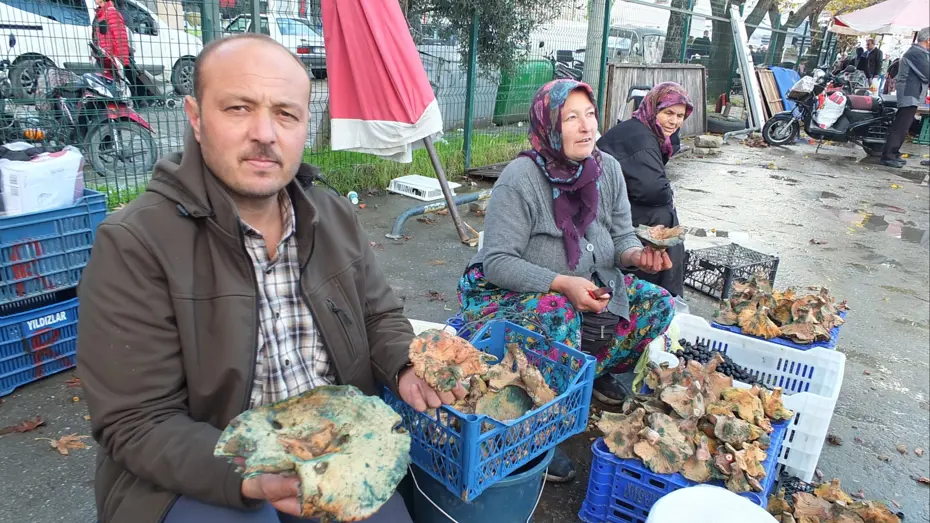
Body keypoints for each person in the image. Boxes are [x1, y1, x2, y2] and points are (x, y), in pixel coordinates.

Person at [77, 34, 457, 523]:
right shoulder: (135, 242)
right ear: (195, 118)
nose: (265, 133)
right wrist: (249, 477)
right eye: (238, 108)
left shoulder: (333, 216)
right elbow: (137, 421)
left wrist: (405, 366)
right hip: (203, 469)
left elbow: (379, 315)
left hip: (330, 447)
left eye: (286, 114)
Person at [457, 79, 675, 482]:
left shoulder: (606, 168)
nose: (586, 127)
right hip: (512, 294)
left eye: (590, 114)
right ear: (548, 125)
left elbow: (623, 234)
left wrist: (636, 257)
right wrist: (560, 282)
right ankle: (536, 435)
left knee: (658, 303)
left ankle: (594, 371)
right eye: (571, 117)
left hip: (589, 282)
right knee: (560, 314)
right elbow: (497, 262)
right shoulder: (520, 178)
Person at [596, 82, 693, 298]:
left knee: (666, 220)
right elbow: (653, 190)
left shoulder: (645, 129)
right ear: (653, 108)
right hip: (601, 209)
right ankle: (658, 293)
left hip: (614, 201)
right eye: (668, 113)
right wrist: (669, 193)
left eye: (680, 116)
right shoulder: (641, 138)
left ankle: (661, 293)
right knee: (662, 219)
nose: (674, 121)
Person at [880, 27, 930, 168]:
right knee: (901, 125)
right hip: (909, 92)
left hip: (912, 92)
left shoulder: (920, 52)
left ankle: (894, 153)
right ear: (928, 40)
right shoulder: (916, 53)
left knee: (904, 125)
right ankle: (888, 155)